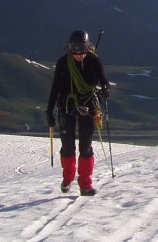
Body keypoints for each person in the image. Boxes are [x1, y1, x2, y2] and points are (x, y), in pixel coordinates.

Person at [46, 30, 110, 196]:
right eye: (75, 53)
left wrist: (105, 90)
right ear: (69, 50)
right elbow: (54, 88)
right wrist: (49, 110)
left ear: (87, 49)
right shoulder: (62, 63)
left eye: (82, 53)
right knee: (67, 146)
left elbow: (104, 81)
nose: (79, 56)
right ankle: (67, 178)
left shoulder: (93, 61)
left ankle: (85, 184)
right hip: (67, 106)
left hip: (88, 106)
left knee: (86, 146)